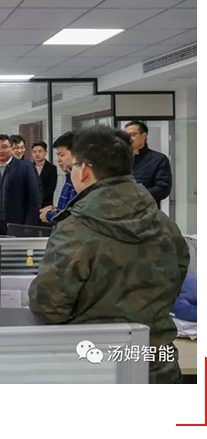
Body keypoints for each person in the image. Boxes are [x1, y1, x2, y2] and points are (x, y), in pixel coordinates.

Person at [28, 127, 189, 384]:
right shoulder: (166, 225)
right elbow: (174, 286)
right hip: (159, 369)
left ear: (85, 170)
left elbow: (48, 307)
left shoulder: (75, 230)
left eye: (72, 166)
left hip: (96, 370)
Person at [0, 134, 40, 235]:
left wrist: (29, 226)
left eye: (4, 147)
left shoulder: (25, 167)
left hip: (18, 226)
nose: (0, 150)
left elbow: (34, 199)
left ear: (11, 149)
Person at [124, 120, 172, 205]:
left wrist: (137, 195)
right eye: (125, 136)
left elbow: (163, 188)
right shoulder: (119, 159)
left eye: (133, 135)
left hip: (146, 210)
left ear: (144, 136)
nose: (129, 139)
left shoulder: (158, 159)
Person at [39, 132, 77, 226]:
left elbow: (72, 218)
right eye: (58, 155)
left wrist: (48, 215)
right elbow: (66, 211)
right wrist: (56, 210)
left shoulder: (80, 182)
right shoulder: (69, 178)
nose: (58, 160)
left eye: (62, 155)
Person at [31, 141, 58, 209]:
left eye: (40, 151)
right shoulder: (28, 167)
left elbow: (50, 189)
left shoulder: (52, 168)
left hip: (46, 206)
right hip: (30, 206)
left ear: (45, 152)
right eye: (34, 152)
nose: (37, 154)